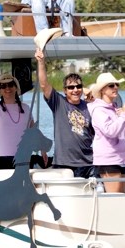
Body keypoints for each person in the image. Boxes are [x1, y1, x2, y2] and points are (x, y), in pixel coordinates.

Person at [34, 48, 95, 178]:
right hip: (64, 164)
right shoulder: (59, 103)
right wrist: (41, 62)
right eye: (71, 87)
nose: (75, 90)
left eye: (78, 86)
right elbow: (44, 85)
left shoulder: (89, 106)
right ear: (65, 91)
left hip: (88, 163)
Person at [89, 72, 125, 192]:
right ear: (103, 90)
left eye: (116, 84)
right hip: (108, 160)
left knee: (120, 198)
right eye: (111, 85)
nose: (115, 87)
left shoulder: (114, 109)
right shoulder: (98, 110)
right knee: (115, 200)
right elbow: (110, 131)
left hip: (119, 159)